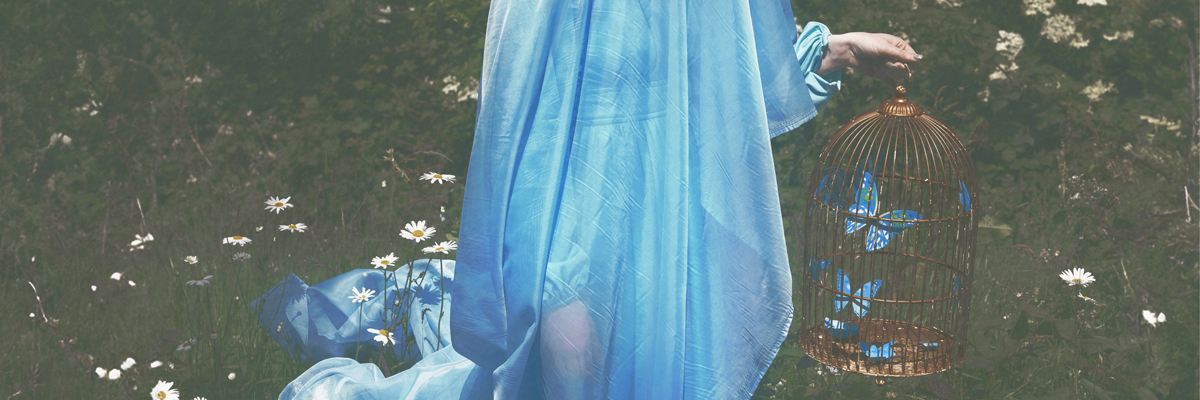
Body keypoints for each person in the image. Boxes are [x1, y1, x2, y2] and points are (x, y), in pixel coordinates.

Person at [261, 0, 918, 398]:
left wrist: (832, 51)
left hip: (660, 211)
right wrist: (550, 273)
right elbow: (521, 117)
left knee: (656, 368)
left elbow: (729, 58)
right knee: (565, 358)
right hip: (566, 207)